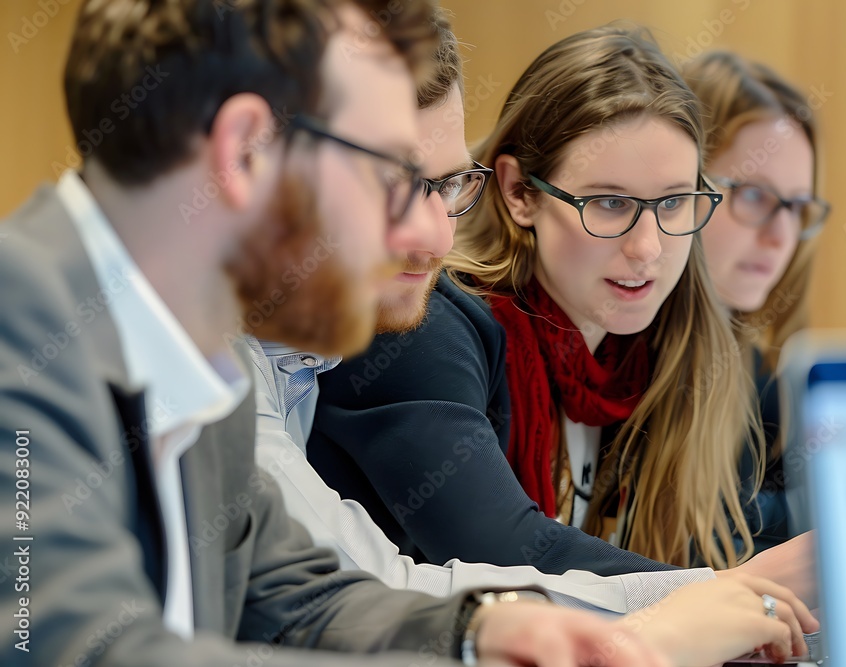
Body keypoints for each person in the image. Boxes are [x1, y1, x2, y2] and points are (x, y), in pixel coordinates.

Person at [0, 2, 681, 666]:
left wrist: (479, 633)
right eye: (389, 175)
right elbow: (68, 646)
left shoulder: (203, 358)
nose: (432, 234)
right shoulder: (20, 317)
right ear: (244, 153)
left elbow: (297, 600)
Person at [245, 14, 816, 664]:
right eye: (608, 204)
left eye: (675, 203)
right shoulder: (425, 325)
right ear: (519, 193)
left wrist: (728, 602)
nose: (649, 247)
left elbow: (339, 595)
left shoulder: (682, 347)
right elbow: (474, 555)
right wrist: (721, 599)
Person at [681, 51, 831, 550]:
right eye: (753, 195)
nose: (781, 238)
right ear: (679, 187)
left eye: (795, 206)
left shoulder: (755, 376)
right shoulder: (614, 365)